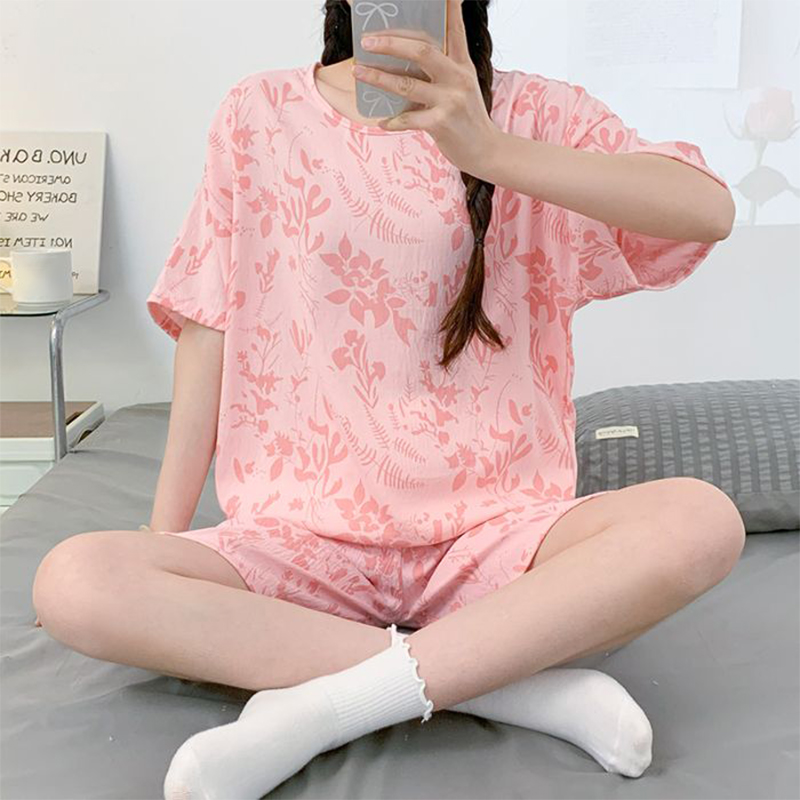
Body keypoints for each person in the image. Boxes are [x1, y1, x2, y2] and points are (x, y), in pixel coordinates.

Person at [32, 1, 745, 797]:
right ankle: (510, 687)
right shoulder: (259, 111)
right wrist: (164, 540)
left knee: (701, 521)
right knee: (76, 581)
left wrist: (487, 149)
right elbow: (208, 325)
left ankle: (325, 706)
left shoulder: (538, 114)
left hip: (499, 539)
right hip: (300, 542)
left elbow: (706, 211)